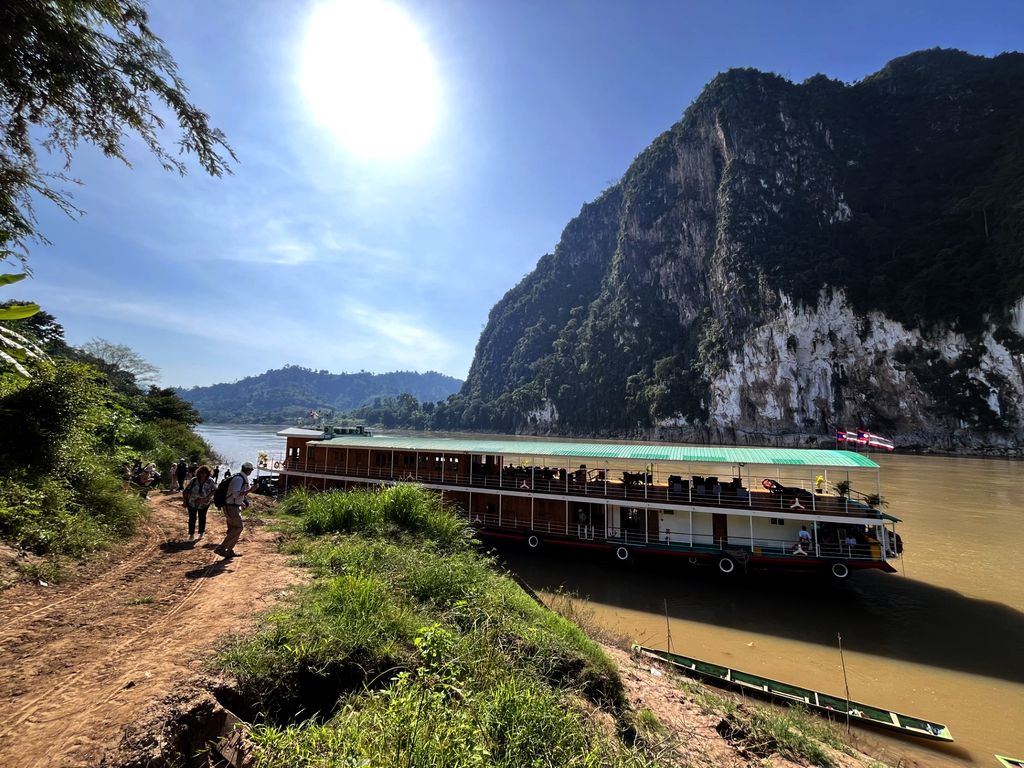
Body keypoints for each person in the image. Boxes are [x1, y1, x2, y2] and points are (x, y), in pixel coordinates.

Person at [215, 462, 255, 558]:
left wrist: (241, 502)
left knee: (233, 528)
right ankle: (222, 547)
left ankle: (229, 550)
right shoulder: (239, 479)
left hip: (233, 506)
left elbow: (235, 495)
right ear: (248, 470)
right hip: (231, 507)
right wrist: (250, 490)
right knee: (238, 527)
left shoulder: (239, 477)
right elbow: (235, 494)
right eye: (251, 470)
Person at [183, 465, 216, 541]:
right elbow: (186, 490)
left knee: (202, 517)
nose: (203, 474)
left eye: (205, 473)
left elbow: (214, 490)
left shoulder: (211, 481)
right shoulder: (194, 480)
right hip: (192, 502)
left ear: (208, 473)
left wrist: (206, 498)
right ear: (199, 472)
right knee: (192, 518)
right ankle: (191, 534)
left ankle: (201, 532)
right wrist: (185, 501)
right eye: (202, 472)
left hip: (204, 504)